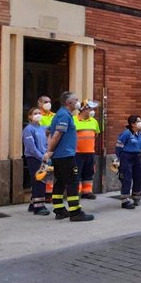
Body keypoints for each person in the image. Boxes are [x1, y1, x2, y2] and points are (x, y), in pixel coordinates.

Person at [43, 92, 94, 222]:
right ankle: (75, 212)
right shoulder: (64, 115)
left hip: (61, 155)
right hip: (65, 155)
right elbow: (56, 135)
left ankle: (59, 210)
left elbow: (49, 130)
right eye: (76, 100)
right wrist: (49, 151)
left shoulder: (62, 115)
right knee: (73, 181)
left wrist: (50, 150)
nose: (78, 102)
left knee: (60, 181)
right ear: (68, 102)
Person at [22, 107, 50, 215]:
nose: (38, 115)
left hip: (43, 157)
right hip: (34, 158)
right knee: (39, 181)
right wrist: (41, 156)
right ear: (30, 116)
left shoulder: (42, 128)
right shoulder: (28, 129)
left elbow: (46, 142)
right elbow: (31, 147)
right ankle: (39, 207)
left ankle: (32, 204)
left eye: (39, 113)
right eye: (35, 113)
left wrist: (47, 154)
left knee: (40, 180)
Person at [115, 116, 141, 209]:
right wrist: (120, 158)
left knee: (138, 176)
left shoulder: (140, 134)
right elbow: (118, 147)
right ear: (132, 124)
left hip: (137, 157)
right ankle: (125, 201)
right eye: (138, 121)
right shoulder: (126, 134)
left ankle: (136, 197)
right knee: (126, 178)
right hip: (126, 157)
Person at [74, 100, 100, 200]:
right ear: (83, 109)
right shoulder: (73, 120)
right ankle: (76, 193)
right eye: (90, 109)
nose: (92, 111)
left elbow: (96, 134)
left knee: (89, 172)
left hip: (90, 152)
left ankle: (87, 192)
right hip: (77, 153)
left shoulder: (94, 121)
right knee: (77, 173)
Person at [37, 95, 55, 201]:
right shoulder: (38, 115)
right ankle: (41, 193)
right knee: (42, 169)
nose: (48, 103)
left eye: (49, 101)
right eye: (45, 102)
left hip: (52, 147)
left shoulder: (54, 115)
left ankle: (49, 194)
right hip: (41, 147)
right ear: (39, 103)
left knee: (50, 170)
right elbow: (38, 130)